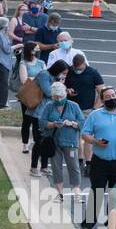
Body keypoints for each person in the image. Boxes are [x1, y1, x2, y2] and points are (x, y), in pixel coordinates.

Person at [79, 87, 116, 229]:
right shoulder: (95, 115)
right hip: (100, 161)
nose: (111, 98)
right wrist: (95, 142)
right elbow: (84, 134)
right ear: (103, 99)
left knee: (115, 193)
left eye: (113, 95)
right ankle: (89, 223)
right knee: (97, 191)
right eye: (107, 96)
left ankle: (111, 220)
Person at [36, 80, 85, 213]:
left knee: (73, 166)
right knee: (56, 167)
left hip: (70, 142)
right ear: (52, 97)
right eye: (56, 97)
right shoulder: (49, 106)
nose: (59, 100)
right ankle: (60, 193)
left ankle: (77, 191)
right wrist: (53, 125)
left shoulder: (73, 106)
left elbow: (82, 122)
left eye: (61, 97)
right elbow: (41, 122)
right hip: (54, 142)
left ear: (65, 94)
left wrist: (73, 124)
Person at [64, 53, 104, 173]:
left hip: (87, 110)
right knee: (75, 137)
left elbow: (101, 92)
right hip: (72, 109)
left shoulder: (93, 73)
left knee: (87, 137)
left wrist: (95, 109)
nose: (77, 70)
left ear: (84, 64)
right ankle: (79, 160)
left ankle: (89, 162)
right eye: (75, 68)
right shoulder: (70, 71)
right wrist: (67, 91)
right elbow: (61, 85)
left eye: (79, 68)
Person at [18, 42, 50, 174]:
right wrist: (39, 80)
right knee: (27, 120)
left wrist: (36, 79)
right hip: (29, 95)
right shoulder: (23, 64)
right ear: (30, 51)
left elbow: (46, 76)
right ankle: (25, 143)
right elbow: (24, 79)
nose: (38, 50)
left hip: (40, 95)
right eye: (36, 48)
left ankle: (41, 161)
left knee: (38, 121)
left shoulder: (42, 62)